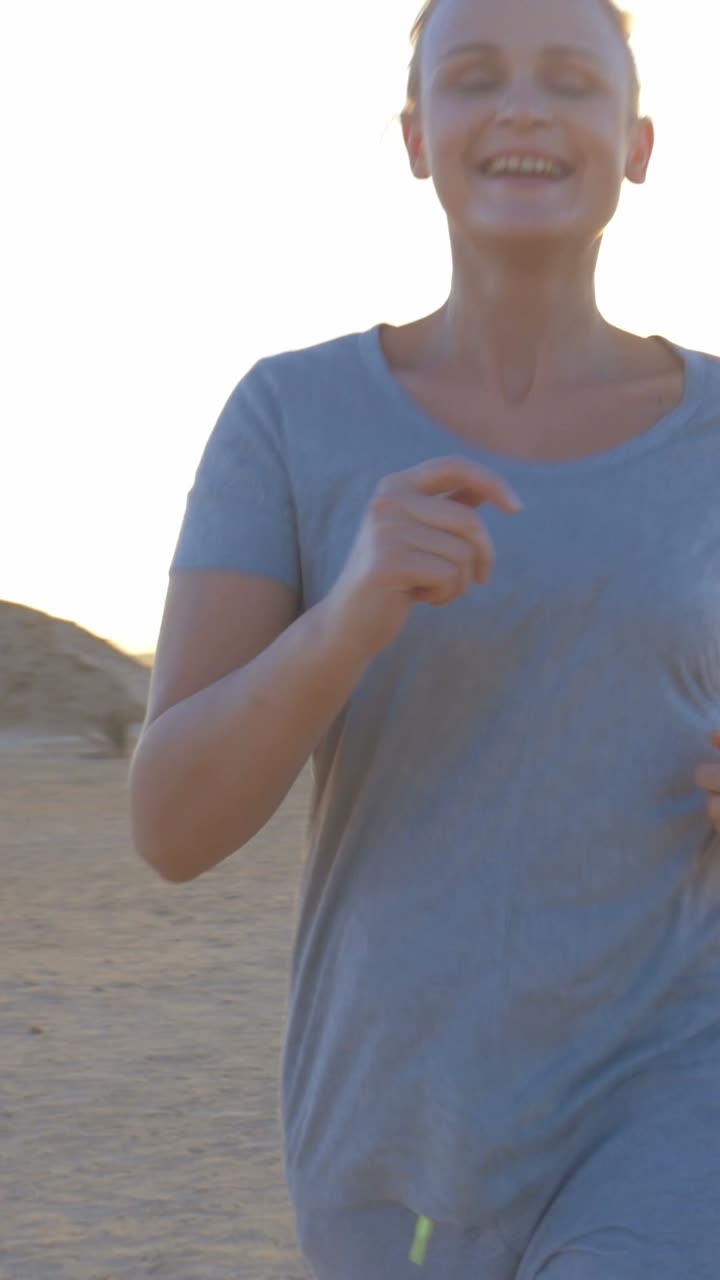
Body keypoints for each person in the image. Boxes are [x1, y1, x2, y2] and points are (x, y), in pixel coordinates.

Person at [129, 0, 720, 1275]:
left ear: (639, 143)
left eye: (570, 80)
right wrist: (346, 618)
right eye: (476, 76)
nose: (523, 106)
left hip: (675, 1089)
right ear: (414, 136)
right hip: (393, 1131)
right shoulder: (290, 416)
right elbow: (172, 823)